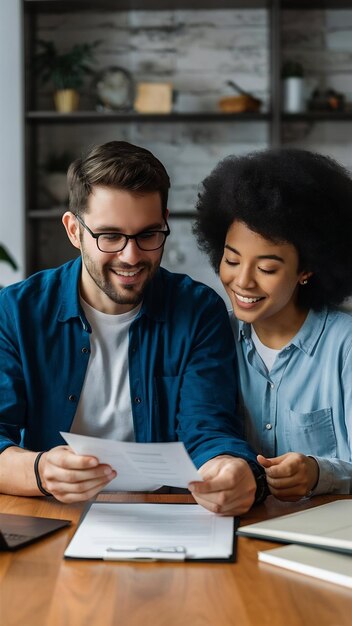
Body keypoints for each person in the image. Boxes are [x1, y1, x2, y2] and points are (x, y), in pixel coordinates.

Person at [0, 140, 267, 515]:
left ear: (165, 223)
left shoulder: (198, 311)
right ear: (74, 231)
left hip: (168, 513)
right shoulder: (15, 311)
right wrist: (40, 471)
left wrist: (232, 470)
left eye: (148, 235)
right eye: (109, 236)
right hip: (52, 513)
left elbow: (208, 429)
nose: (131, 256)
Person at [193, 147, 352, 501]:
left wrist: (317, 472)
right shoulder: (213, 338)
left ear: (307, 270)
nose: (243, 281)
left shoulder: (345, 347)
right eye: (231, 260)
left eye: (267, 269)